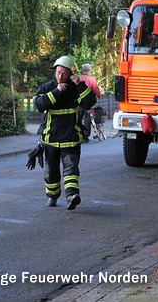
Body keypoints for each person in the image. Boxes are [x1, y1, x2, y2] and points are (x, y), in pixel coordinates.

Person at [34, 55, 96, 209]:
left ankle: (72, 196)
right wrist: (56, 92)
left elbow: (89, 102)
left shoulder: (76, 88)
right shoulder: (47, 88)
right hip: (50, 140)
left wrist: (80, 84)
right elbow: (39, 105)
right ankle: (52, 197)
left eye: (64, 73)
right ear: (54, 71)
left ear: (71, 74)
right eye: (58, 72)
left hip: (70, 139)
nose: (60, 76)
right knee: (51, 173)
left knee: (71, 171)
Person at [78, 63, 102, 140]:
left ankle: (78, 134)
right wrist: (99, 95)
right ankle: (85, 135)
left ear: (82, 69)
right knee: (87, 118)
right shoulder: (91, 79)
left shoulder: (78, 78)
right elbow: (95, 89)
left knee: (78, 118)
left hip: (78, 101)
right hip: (88, 101)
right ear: (89, 69)